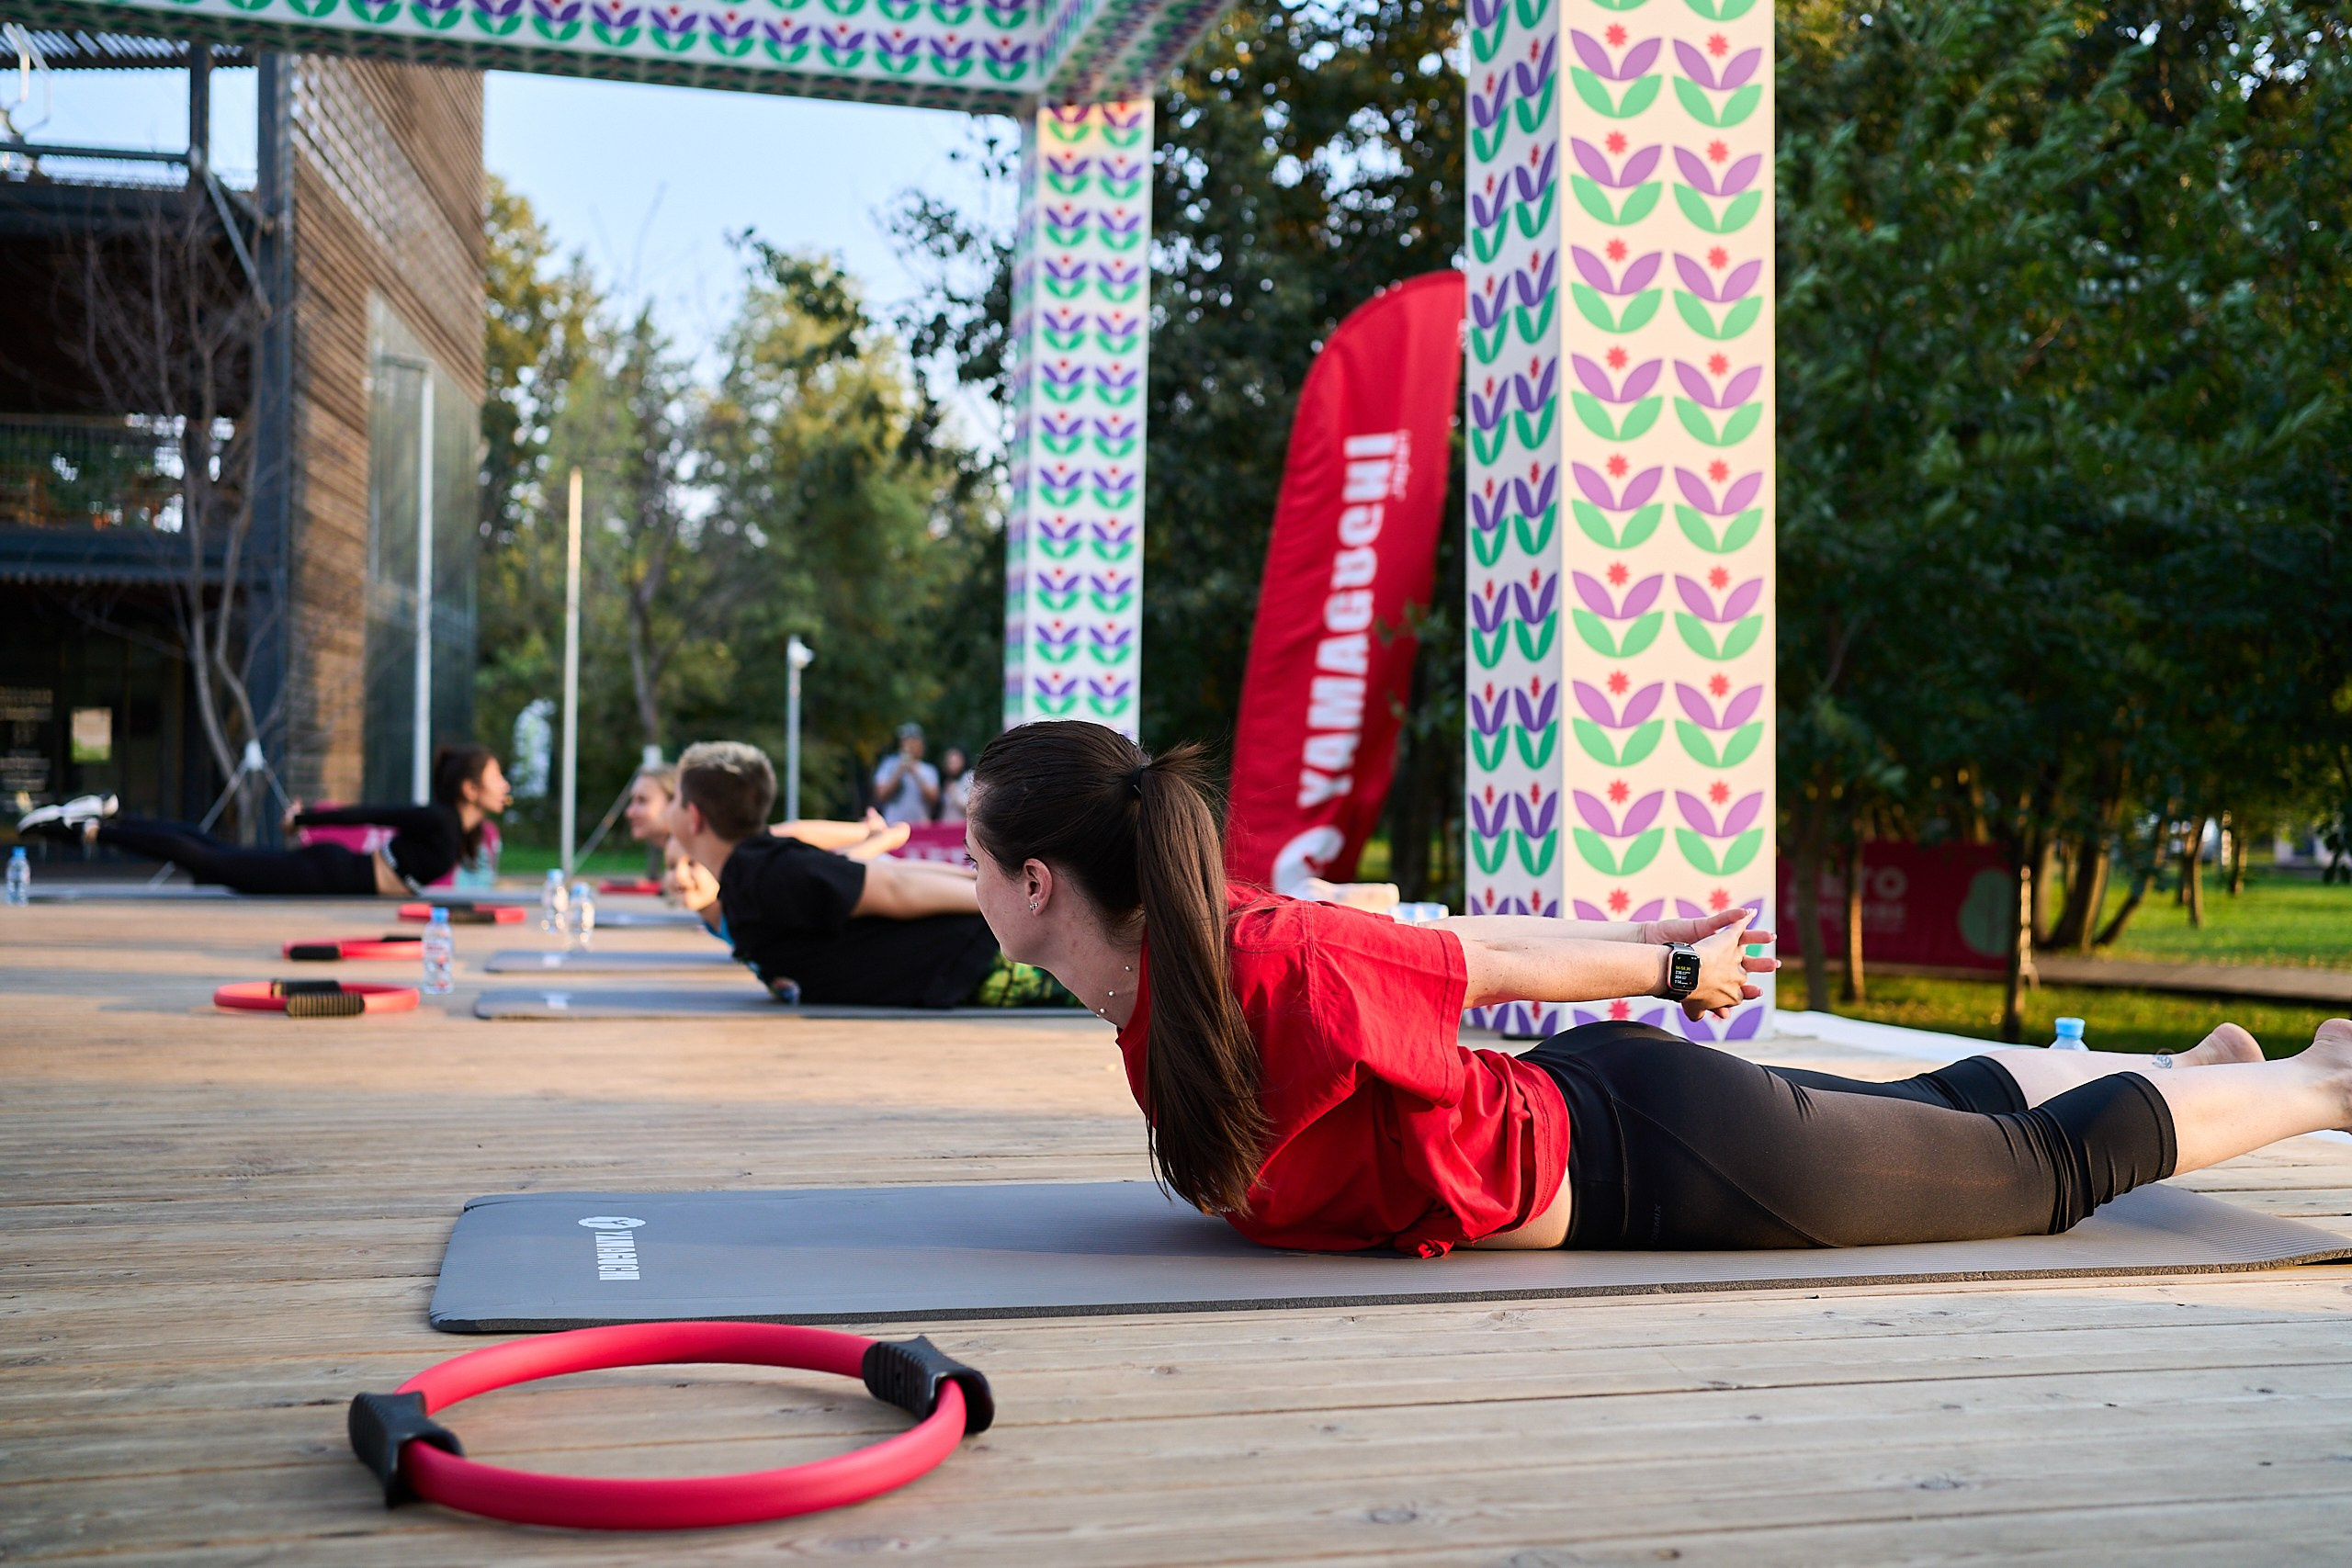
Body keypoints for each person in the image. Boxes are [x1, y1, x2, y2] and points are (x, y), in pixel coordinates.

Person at [962, 719, 2352, 1257]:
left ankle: (2318, 1081)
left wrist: (1679, 963)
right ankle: (2209, 1075)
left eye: (967, 852)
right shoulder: (1159, 988)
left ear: (1038, 882)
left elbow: (1488, 957)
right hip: (1623, 1125)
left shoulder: (1277, 958)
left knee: (2037, 1172)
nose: (951, 872)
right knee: (1944, 1100)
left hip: (1658, 1153)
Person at [666, 740, 1001, 1008]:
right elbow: (886, 874)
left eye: (676, 799)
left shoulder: (769, 873)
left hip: (987, 963)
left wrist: (1001, 901)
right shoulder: (754, 869)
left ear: (694, 816)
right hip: (959, 969)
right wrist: (980, 883)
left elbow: (895, 886)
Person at [17, 744, 512, 897]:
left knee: (214, 853)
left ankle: (111, 816)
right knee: (213, 862)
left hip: (339, 873)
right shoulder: (443, 821)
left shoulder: (460, 829)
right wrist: (306, 819)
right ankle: (92, 829)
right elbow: (370, 812)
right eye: (497, 777)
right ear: (470, 790)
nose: (505, 785)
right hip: (333, 873)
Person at [873, 724, 940, 828]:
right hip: (893, 827)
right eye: (906, 740)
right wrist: (899, 772)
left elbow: (934, 799)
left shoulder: (928, 770)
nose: (909, 745)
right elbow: (881, 795)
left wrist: (915, 772)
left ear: (921, 744)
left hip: (921, 827)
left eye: (914, 740)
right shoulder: (888, 765)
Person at [935, 746, 973, 825]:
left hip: (963, 827)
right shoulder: (945, 780)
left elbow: (972, 807)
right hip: (947, 826)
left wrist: (955, 792)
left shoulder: (970, 777)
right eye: (949, 762)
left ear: (963, 761)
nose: (952, 765)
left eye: (955, 762)